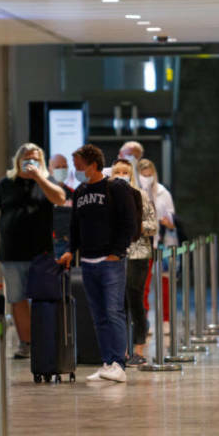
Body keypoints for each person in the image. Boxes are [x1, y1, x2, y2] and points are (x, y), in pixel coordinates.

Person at [58, 144, 138, 383]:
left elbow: (129, 223)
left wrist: (117, 252)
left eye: (79, 164)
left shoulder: (115, 188)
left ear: (93, 164)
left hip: (110, 262)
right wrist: (71, 251)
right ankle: (107, 362)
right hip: (88, 263)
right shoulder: (81, 191)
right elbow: (74, 226)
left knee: (114, 311)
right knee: (99, 314)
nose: (76, 169)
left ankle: (119, 363)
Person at [0, 143, 66, 359]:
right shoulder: (6, 183)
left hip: (41, 253)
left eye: (35, 158)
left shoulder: (47, 181)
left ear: (42, 161)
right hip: (11, 252)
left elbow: (60, 198)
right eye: (26, 157)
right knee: (17, 298)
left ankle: (43, 342)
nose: (30, 161)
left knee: (41, 298)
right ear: (18, 160)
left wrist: (39, 178)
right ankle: (26, 343)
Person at [111, 158, 157, 367]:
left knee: (135, 298)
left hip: (138, 254)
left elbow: (152, 225)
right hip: (115, 254)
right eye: (117, 172)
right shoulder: (107, 197)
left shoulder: (140, 196)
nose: (120, 176)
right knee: (118, 303)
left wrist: (134, 227)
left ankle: (138, 347)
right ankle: (122, 349)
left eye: (124, 172)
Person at [136, 158, 176, 335]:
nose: (147, 178)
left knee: (165, 282)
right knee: (143, 284)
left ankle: (166, 319)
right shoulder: (134, 192)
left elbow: (172, 220)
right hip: (142, 242)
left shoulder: (162, 192)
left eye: (149, 175)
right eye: (143, 175)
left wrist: (165, 221)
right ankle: (144, 320)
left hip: (162, 242)